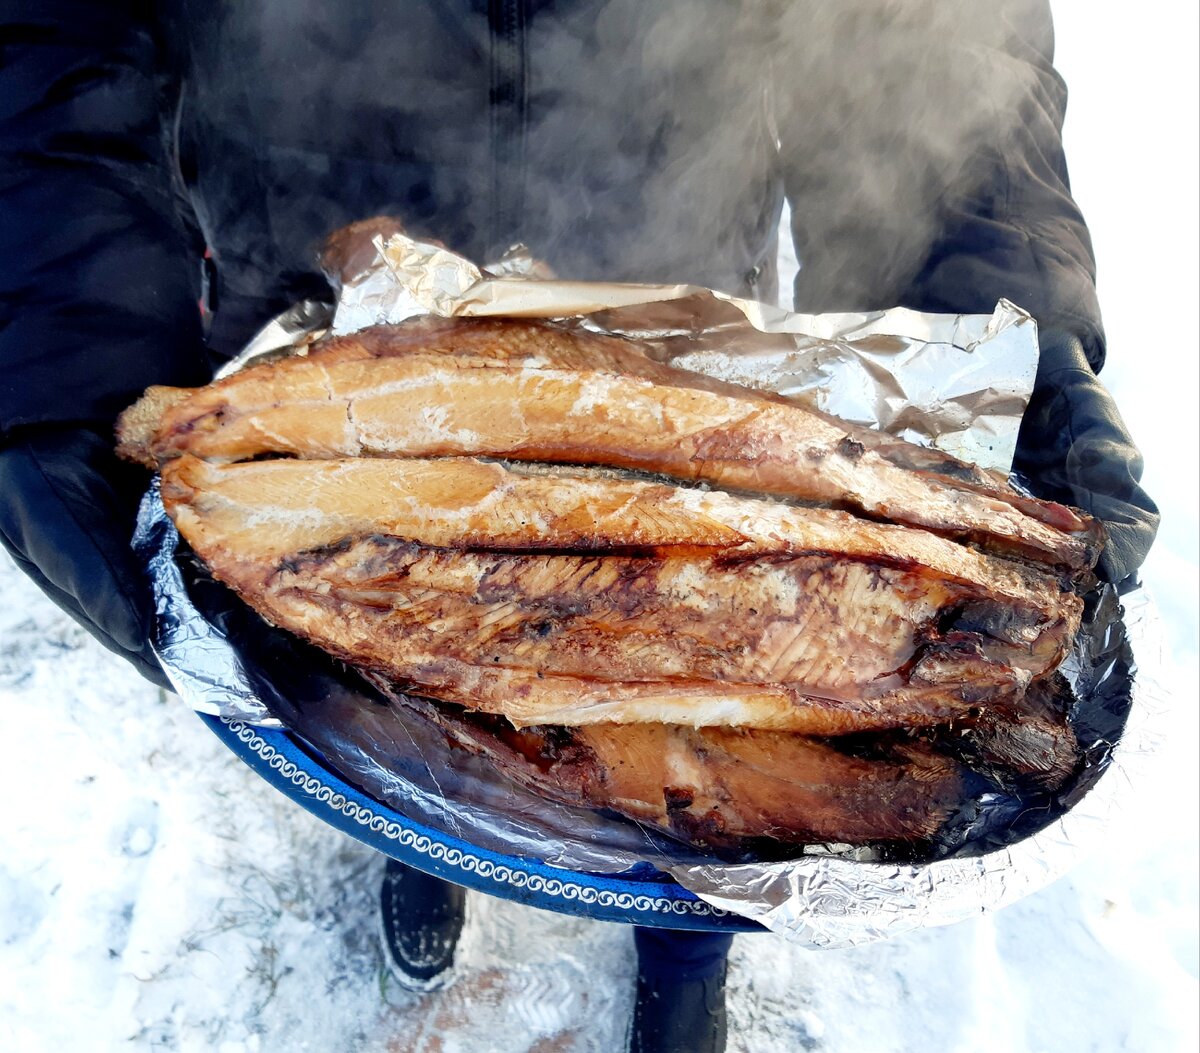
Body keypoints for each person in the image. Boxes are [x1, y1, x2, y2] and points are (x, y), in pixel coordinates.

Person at [0, 2, 1159, 1051]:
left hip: (668, 240)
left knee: (725, 712)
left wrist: (1007, 302)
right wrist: (57, 338)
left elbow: (940, 29)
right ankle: (418, 842)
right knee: (383, 669)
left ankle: (691, 942)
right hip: (327, 265)